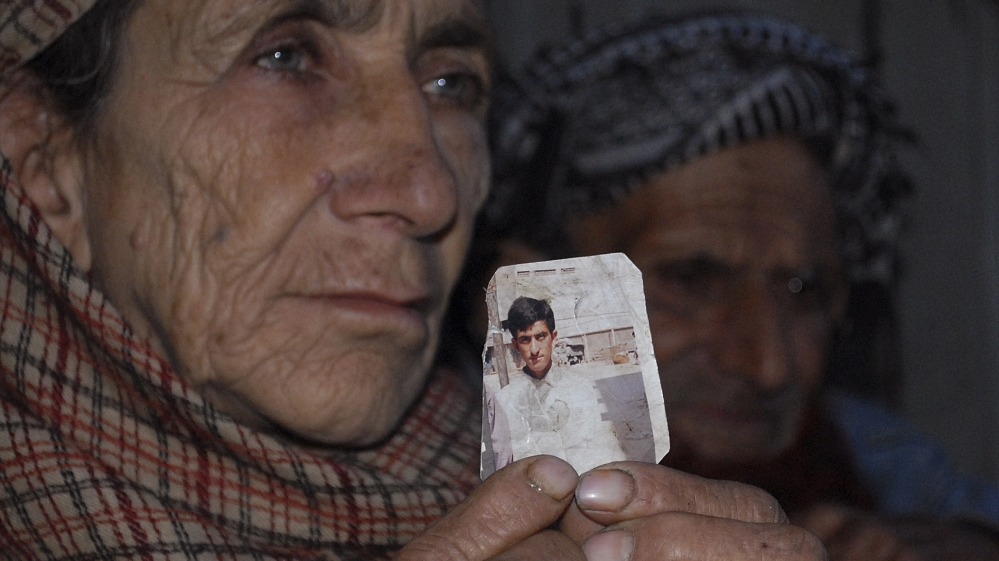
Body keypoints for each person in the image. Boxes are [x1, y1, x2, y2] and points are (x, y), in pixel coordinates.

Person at [0, 1, 828, 559]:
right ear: (46, 161)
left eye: (449, 83)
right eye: (286, 56)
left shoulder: (542, 493)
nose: (429, 190)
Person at [482, 11, 999, 560]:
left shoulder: (882, 460)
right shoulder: (420, 484)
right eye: (691, 280)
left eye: (802, 290)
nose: (767, 366)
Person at [487, 296, 626, 473]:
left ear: (553, 337)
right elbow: (502, 467)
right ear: (515, 344)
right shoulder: (504, 402)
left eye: (540, 336)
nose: (534, 349)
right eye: (525, 339)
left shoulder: (581, 387)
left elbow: (599, 451)